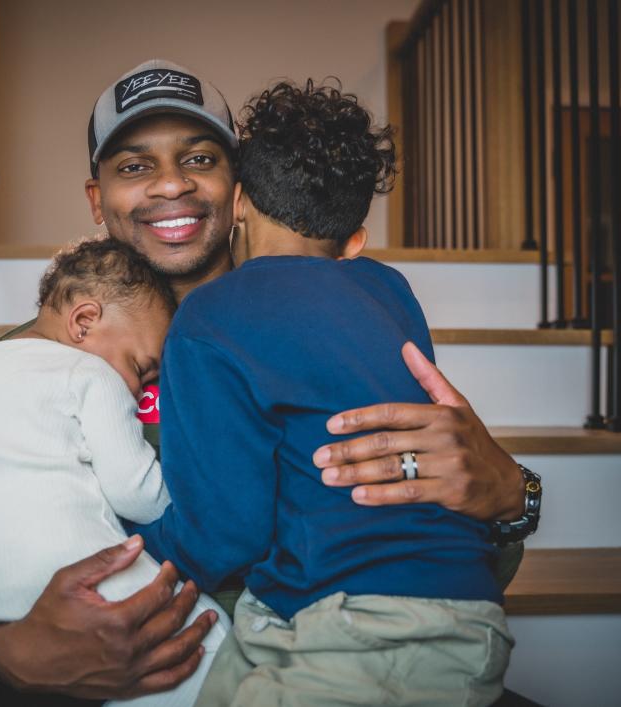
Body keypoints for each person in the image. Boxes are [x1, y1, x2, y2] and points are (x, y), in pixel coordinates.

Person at [0, 60, 537, 704]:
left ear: (240, 189)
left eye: (200, 158)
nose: (170, 184)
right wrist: (2, 650)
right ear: (98, 199)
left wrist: (512, 495)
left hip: (306, 658)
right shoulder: (45, 350)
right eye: (135, 165)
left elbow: (429, 552)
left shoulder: (327, 320)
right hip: (80, 672)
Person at [126, 80, 515, 706]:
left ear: (241, 202)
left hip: (369, 628)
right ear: (355, 238)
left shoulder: (210, 319)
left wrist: (121, 538)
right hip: (433, 604)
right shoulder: (389, 289)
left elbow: (227, 533)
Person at [0, 237, 230, 706]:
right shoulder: (92, 377)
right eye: (140, 368)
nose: (138, 389)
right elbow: (137, 496)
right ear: (84, 322)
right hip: (78, 587)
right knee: (210, 631)